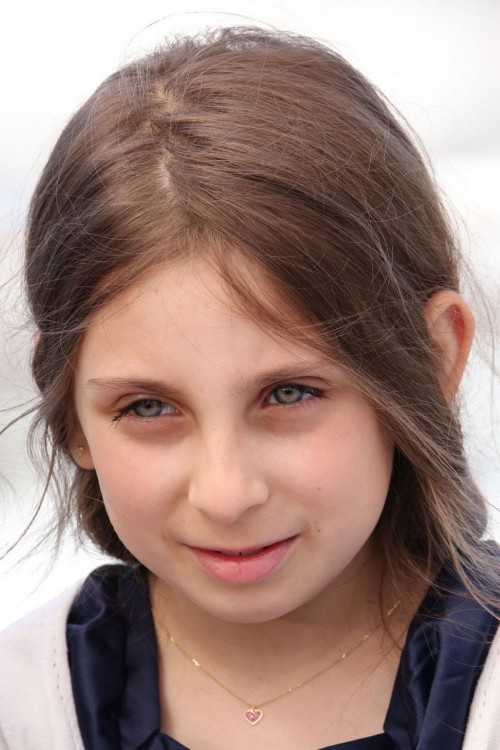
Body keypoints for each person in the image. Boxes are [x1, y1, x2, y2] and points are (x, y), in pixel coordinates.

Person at [0, 26, 499, 750]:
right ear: (69, 409)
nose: (227, 496)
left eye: (289, 394)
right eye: (148, 407)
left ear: (431, 360)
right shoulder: (22, 708)